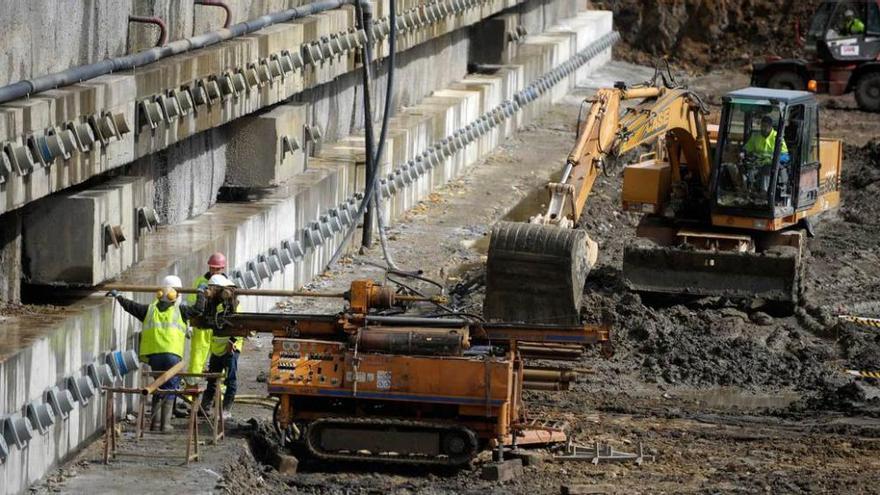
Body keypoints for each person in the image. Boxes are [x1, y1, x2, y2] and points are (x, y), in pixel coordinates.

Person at [107, 279, 206, 431]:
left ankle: (155, 424)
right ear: (174, 298)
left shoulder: (149, 310)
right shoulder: (180, 311)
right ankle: (165, 425)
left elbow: (130, 306)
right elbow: (199, 309)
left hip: (154, 357)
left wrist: (118, 296)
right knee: (170, 387)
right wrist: (200, 292)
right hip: (172, 355)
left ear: (158, 297)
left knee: (158, 385)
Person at [201, 274, 242, 420]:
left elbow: (240, 325)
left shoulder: (233, 304)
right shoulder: (215, 305)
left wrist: (232, 342)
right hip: (217, 348)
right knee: (212, 379)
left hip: (230, 348)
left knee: (230, 379)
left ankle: (226, 410)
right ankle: (205, 407)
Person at [187, 253, 227, 379]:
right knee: (197, 359)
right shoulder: (201, 282)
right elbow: (192, 302)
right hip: (202, 326)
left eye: (217, 269)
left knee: (220, 360)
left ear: (222, 269)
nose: (214, 271)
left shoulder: (227, 284)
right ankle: (191, 391)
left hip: (218, 326)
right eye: (212, 268)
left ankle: (219, 393)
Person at [743, 115, 789, 193]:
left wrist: (773, 158)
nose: (763, 129)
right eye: (762, 126)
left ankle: (764, 193)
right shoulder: (756, 136)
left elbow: (786, 156)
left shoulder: (777, 137)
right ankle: (746, 190)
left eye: (766, 126)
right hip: (757, 163)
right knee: (745, 168)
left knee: (766, 169)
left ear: (771, 127)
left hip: (771, 166)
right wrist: (742, 153)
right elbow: (746, 148)